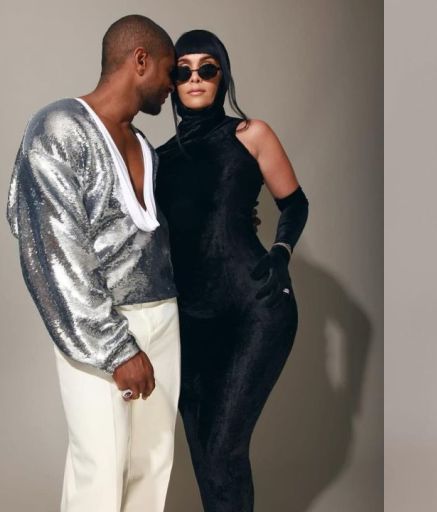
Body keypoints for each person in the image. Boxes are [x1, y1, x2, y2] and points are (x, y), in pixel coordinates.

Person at [6, 15, 179, 512]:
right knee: (101, 467)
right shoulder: (58, 128)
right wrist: (115, 348)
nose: (172, 85)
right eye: (169, 70)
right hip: (100, 326)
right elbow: (53, 251)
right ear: (140, 60)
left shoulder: (144, 145)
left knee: (153, 465)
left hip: (163, 317)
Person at [155, 30, 308, 512]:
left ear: (222, 75)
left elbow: (295, 203)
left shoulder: (250, 135)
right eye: (183, 71)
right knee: (205, 453)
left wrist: (280, 252)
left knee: (223, 446)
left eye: (207, 68)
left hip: (253, 310)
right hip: (188, 323)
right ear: (172, 81)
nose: (195, 78)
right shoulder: (156, 159)